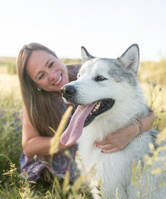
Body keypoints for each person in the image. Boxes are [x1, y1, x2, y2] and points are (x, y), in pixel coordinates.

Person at [17, 43, 154, 184]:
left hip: (94, 157)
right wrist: (71, 137)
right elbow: (28, 147)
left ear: (55, 55)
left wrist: (130, 131)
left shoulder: (86, 68)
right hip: (50, 164)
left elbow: (148, 113)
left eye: (51, 64)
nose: (52, 75)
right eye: (41, 75)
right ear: (35, 84)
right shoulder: (35, 101)